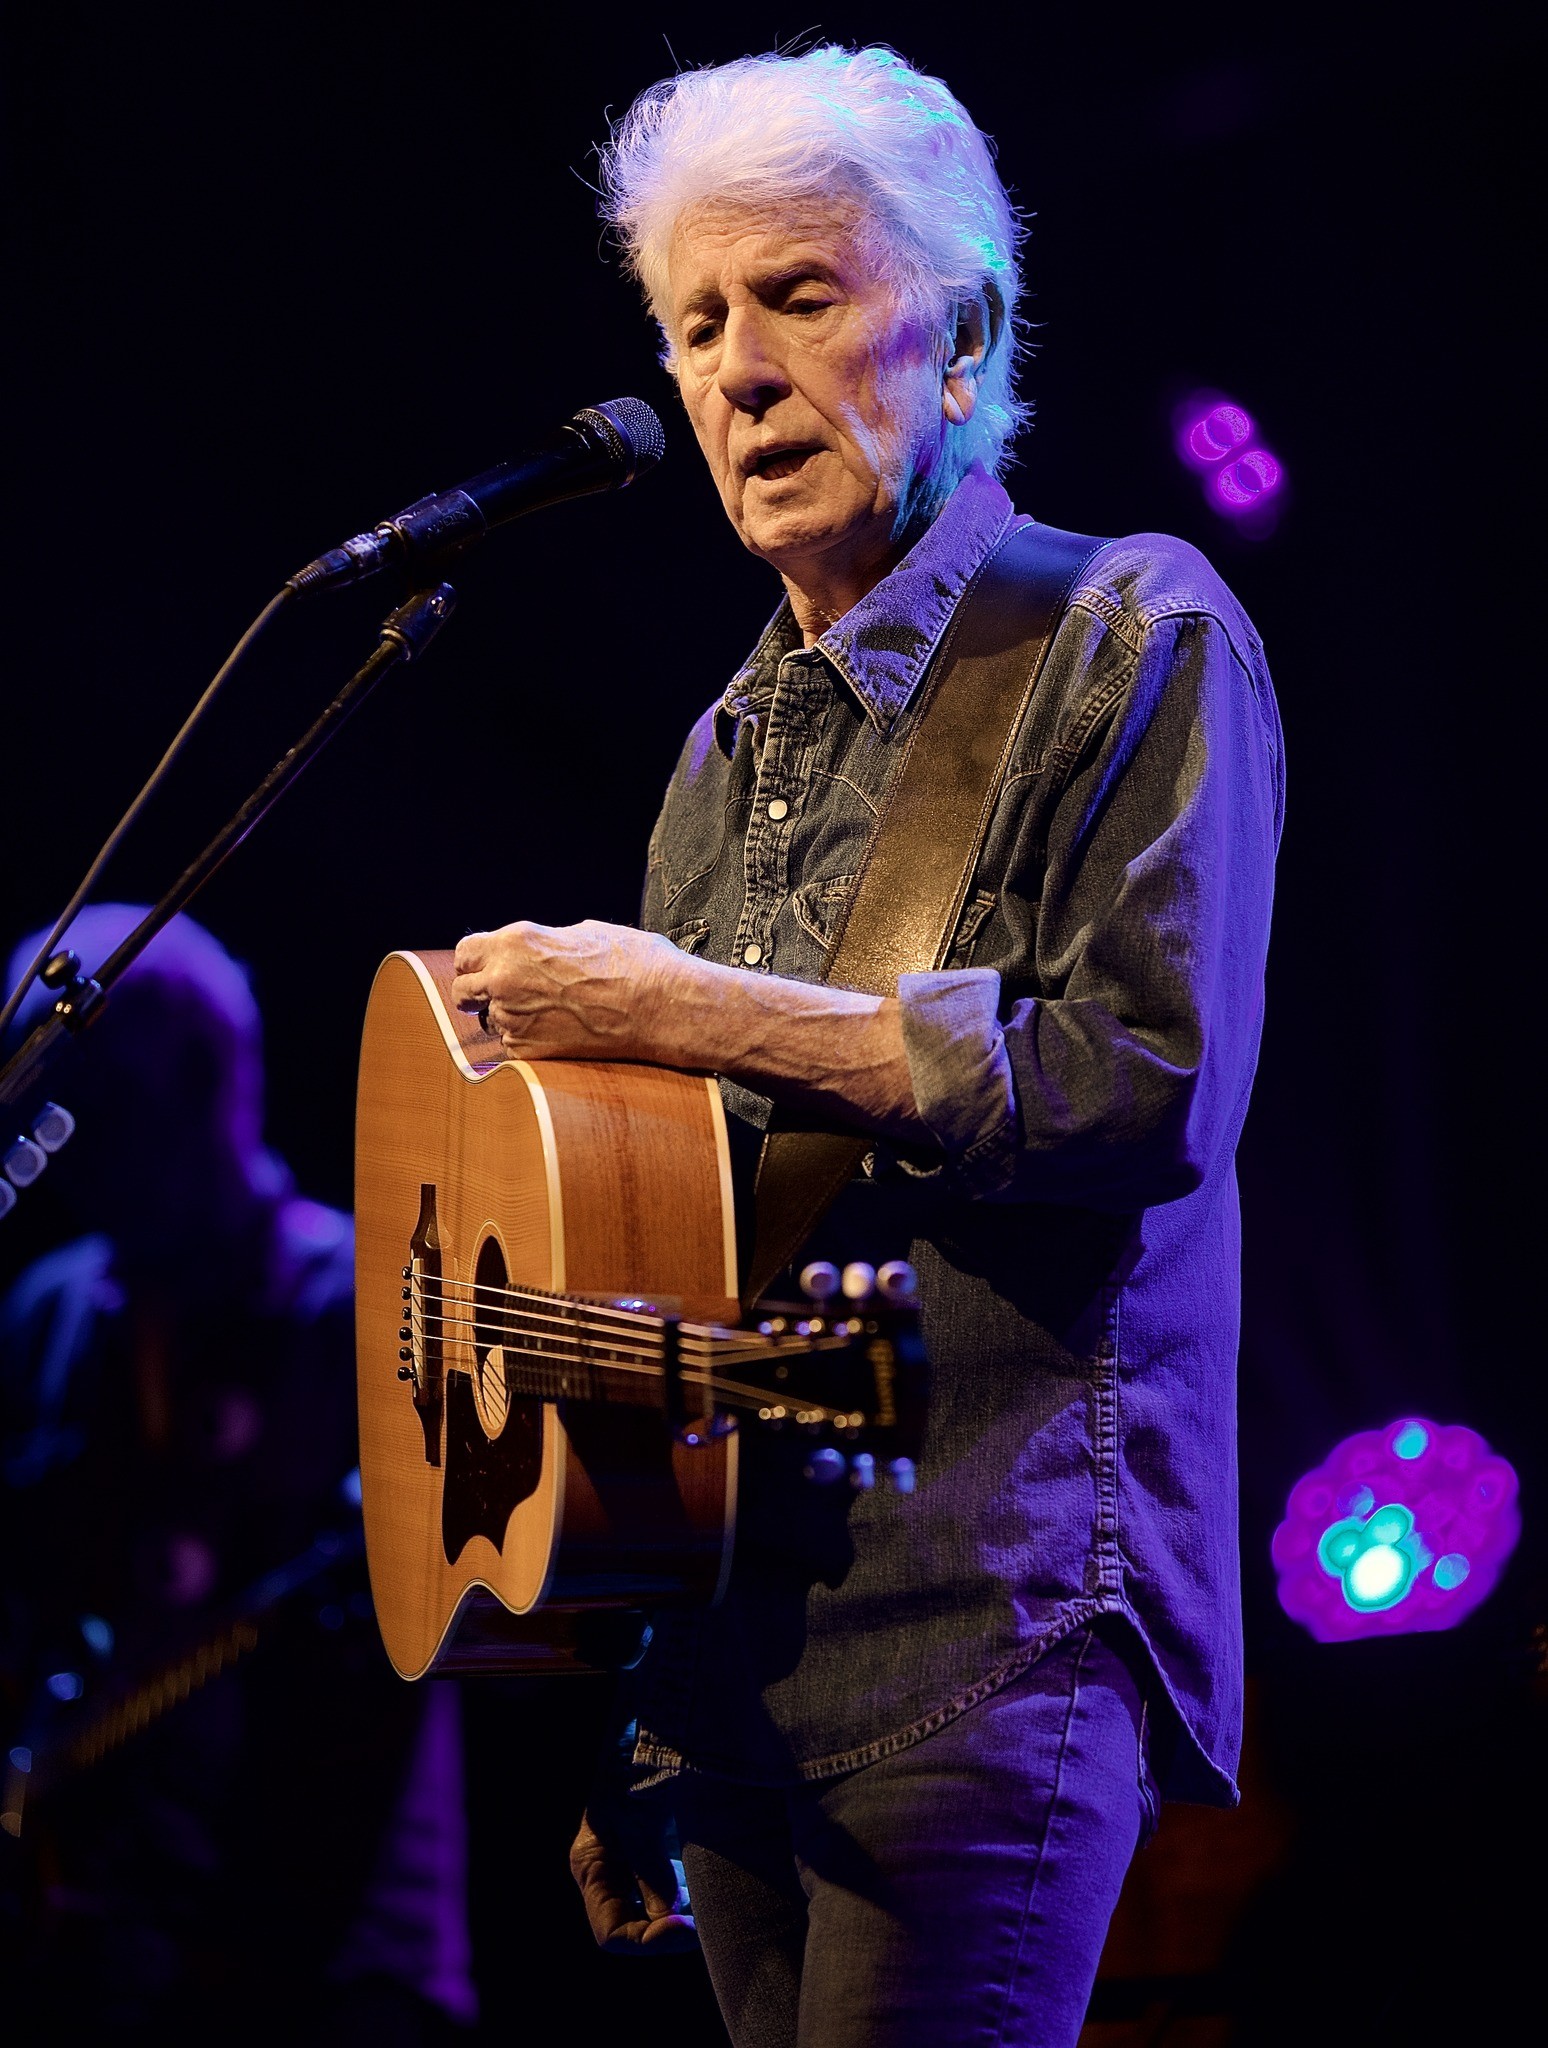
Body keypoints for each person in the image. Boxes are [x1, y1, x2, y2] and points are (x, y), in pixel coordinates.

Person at [450, 45, 1283, 2048]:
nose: (734, 370)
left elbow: (1141, 1083)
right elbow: (689, 1242)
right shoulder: (721, 750)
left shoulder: (1129, 633)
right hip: (738, 1651)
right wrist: (640, 1689)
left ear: (968, 330)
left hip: (989, 1627)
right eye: (695, 320)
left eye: (800, 297)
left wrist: (676, 1004)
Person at [0, 906, 477, 2045]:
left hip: (336, 1959)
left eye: (92, 1113)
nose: (79, 1164)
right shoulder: (57, 1314)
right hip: (97, 1950)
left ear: (209, 1083)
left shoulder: (369, 1309)